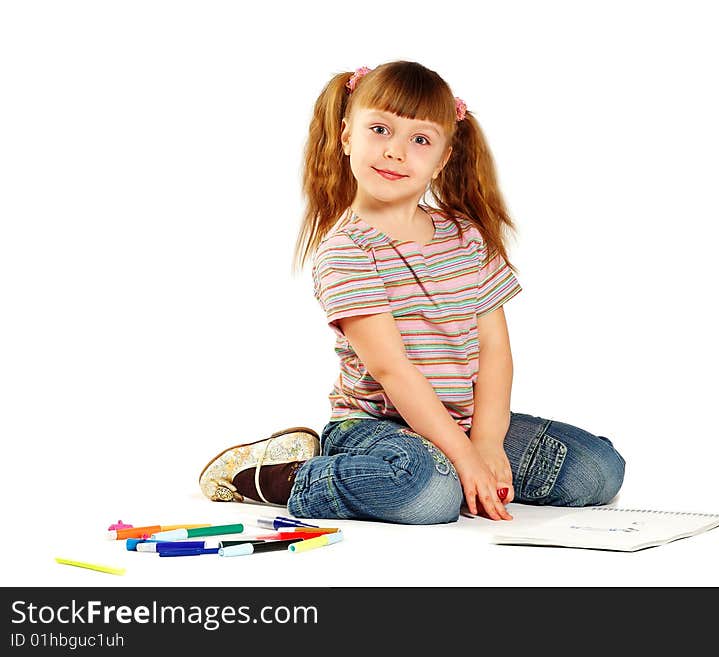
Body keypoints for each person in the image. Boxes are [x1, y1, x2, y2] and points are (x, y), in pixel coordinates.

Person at [199, 60, 626, 524]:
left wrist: (485, 442)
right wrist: (464, 459)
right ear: (346, 136)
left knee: (597, 472)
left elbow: (495, 352)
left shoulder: (467, 237)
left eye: (420, 139)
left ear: (443, 158)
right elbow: (392, 369)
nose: (396, 152)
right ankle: (291, 474)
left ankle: (450, 468)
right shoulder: (347, 250)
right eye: (380, 129)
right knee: (430, 495)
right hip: (374, 427)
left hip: (462, 422)